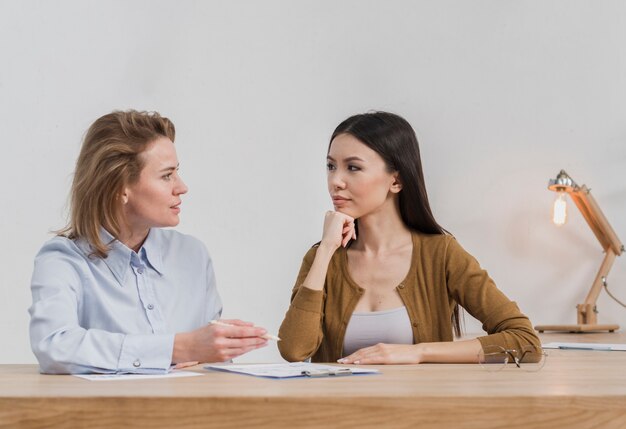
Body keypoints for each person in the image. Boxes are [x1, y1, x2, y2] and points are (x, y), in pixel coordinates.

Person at [278, 111, 540, 364]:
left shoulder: (441, 254)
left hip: (419, 410)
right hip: (339, 409)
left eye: (353, 167)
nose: (336, 180)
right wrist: (325, 249)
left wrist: (419, 353)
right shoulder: (322, 257)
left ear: (396, 181)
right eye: (331, 166)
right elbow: (294, 350)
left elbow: (525, 341)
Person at [29, 110, 268, 374]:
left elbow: (209, 367)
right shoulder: (63, 260)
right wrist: (179, 348)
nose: (182, 187)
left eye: (177, 173)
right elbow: (54, 346)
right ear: (120, 187)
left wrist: (221, 348)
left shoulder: (193, 255)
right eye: (167, 176)